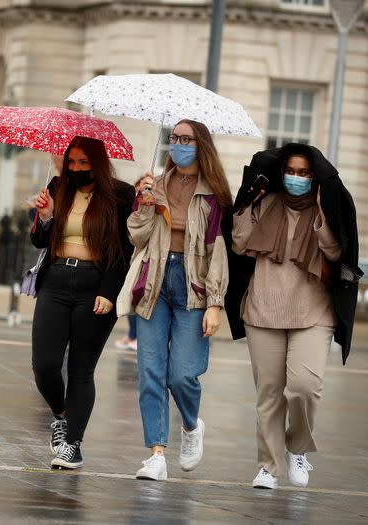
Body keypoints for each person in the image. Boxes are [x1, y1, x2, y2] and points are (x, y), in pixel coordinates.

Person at [226, 143, 359, 490]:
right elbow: (239, 245)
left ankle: (297, 448)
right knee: (269, 393)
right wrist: (246, 206)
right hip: (263, 307)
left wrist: (321, 217)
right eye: (291, 171)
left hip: (313, 309)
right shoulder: (265, 201)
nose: (296, 178)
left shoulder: (324, 206)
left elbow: (335, 251)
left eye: (304, 173)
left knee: (304, 387)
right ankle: (269, 466)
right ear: (281, 172)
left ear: (314, 176)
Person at [116, 119, 231, 481]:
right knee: (150, 371)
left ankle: (192, 426)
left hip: (193, 286)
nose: (178, 144)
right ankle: (156, 454)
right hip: (156, 280)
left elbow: (218, 250)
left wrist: (215, 302)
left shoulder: (214, 194)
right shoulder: (158, 185)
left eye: (186, 139)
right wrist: (146, 200)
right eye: (174, 138)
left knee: (182, 375)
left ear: (202, 146)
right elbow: (136, 235)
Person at [31, 136, 134, 470]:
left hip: (95, 286)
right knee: (44, 364)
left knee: (80, 368)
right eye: (70, 162)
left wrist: (109, 291)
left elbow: (123, 251)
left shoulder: (120, 195)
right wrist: (45, 217)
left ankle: (73, 444)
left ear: (98, 164)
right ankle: (61, 415)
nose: (74, 169)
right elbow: (38, 240)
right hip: (56, 281)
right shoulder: (58, 187)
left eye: (83, 163)